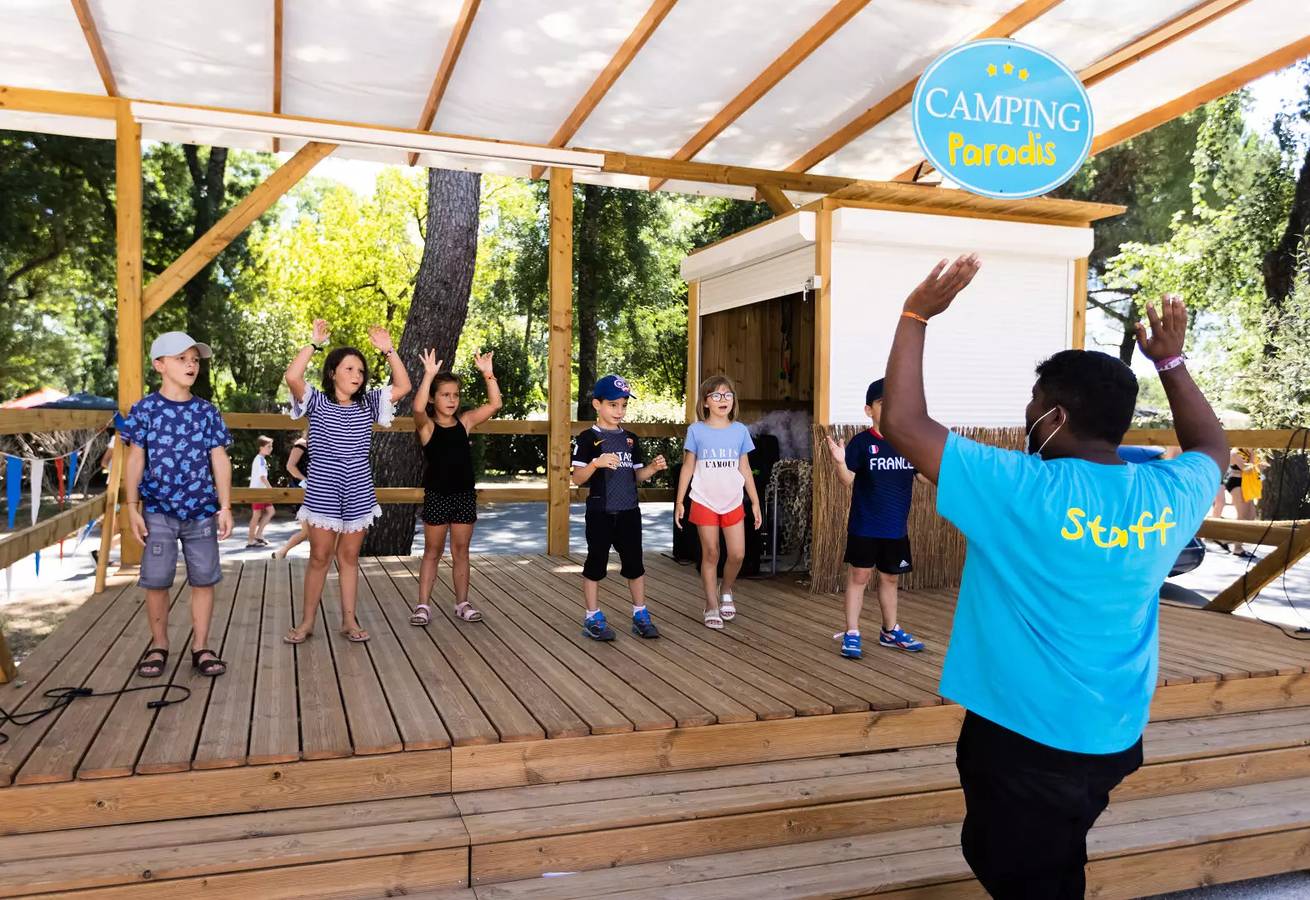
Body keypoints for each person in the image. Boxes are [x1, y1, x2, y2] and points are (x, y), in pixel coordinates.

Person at [880, 257, 1225, 899]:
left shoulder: (1023, 488)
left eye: (1035, 403)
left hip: (1024, 739)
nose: (1027, 412)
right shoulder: (1168, 492)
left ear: (1057, 416)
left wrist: (915, 315)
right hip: (1114, 734)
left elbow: (901, 423)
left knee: (1025, 874)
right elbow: (1212, 446)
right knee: (1055, 849)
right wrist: (1172, 364)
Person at [282, 318, 411, 644]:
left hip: (359, 490)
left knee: (349, 558)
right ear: (332, 373)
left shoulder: (369, 403)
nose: (357, 375)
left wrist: (389, 351)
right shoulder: (316, 401)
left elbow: (403, 386)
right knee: (319, 556)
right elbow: (292, 376)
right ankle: (307, 622)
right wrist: (314, 344)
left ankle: (349, 621)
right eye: (349, 369)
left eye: (361, 371)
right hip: (323, 490)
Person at [122, 331, 235, 679]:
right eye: (182, 358)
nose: (191, 365)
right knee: (156, 580)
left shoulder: (206, 412)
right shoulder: (144, 410)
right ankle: (159, 645)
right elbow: (135, 458)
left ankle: (201, 647)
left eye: (195, 360)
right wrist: (131, 505)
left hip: (201, 511)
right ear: (159, 365)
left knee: (204, 578)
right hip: (157, 511)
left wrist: (226, 506)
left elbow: (219, 459)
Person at [823, 378, 925, 659]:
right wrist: (840, 461)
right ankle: (852, 632)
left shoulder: (907, 443)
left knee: (890, 578)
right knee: (859, 576)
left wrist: (941, 462)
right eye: (882, 402)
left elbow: (925, 477)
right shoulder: (862, 443)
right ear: (869, 410)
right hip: (865, 526)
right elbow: (846, 480)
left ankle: (889, 631)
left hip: (895, 529)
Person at [409, 348, 502, 627]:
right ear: (433, 398)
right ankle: (423, 605)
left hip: (463, 496)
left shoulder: (465, 422)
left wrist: (488, 374)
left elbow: (495, 404)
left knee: (461, 551)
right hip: (437, 495)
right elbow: (417, 408)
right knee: (432, 551)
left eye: (455, 395)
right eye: (445, 395)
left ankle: (462, 603)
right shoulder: (427, 426)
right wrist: (428, 376)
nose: (451, 400)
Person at [571, 374, 667, 641]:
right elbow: (577, 478)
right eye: (613, 405)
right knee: (596, 564)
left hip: (629, 513)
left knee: (635, 564)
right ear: (597, 404)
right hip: (600, 513)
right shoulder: (587, 438)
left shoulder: (630, 439)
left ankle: (640, 614)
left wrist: (652, 468)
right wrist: (596, 464)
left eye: (623, 405)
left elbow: (636, 475)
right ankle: (592, 617)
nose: (619, 411)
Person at [674, 375, 762, 629]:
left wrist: (755, 502)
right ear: (705, 402)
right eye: (716, 395)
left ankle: (726, 589)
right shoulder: (696, 430)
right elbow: (688, 467)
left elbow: (745, 468)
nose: (723, 399)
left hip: (733, 500)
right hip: (704, 499)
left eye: (727, 394)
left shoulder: (740, 431)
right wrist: (680, 501)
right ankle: (711, 604)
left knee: (737, 554)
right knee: (711, 553)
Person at [272, 430, 310, 560]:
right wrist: (305, 480)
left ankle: (281, 552)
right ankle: (282, 552)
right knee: (307, 531)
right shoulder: (302, 444)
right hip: (303, 491)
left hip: (319, 492)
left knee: (314, 530)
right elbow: (290, 466)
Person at [245, 435, 276, 548]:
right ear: (261, 447)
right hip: (257, 492)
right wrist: (270, 489)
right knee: (256, 515)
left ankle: (258, 535)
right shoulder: (260, 460)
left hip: (262, 491)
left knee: (271, 511)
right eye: (268, 446)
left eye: (271, 446)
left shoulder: (262, 459)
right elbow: (263, 477)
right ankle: (250, 540)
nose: (270, 448)